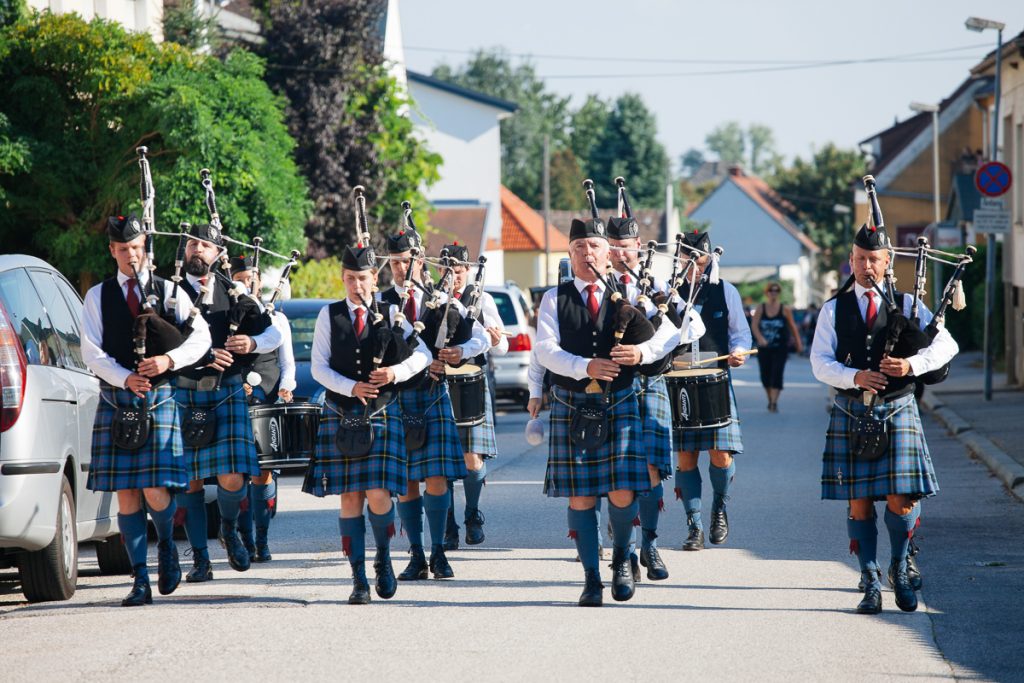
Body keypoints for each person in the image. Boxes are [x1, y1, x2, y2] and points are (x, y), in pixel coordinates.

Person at [810, 223, 957, 614]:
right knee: (858, 502)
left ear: (887, 261)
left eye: (873, 259)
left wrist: (910, 364)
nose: (866, 265)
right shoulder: (833, 309)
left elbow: (947, 345)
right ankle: (870, 579)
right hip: (852, 409)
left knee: (902, 499)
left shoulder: (908, 305)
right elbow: (819, 363)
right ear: (851, 262)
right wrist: (854, 377)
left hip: (898, 406)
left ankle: (900, 566)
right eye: (859, 259)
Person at [535, 215, 680, 606]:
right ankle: (590, 579)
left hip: (620, 401)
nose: (588, 254)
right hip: (574, 404)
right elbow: (545, 350)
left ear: (608, 253)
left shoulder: (632, 294)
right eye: (579, 247)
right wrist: (585, 367)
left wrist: (642, 352)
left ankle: (621, 561)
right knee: (581, 497)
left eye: (595, 247)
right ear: (570, 253)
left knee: (621, 490)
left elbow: (672, 330)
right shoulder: (555, 298)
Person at [81, 214, 212, 606]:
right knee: (126, 492)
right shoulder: (98, 296)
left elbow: (201, 337)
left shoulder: (170, 291)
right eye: (123, 250)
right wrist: (125, 378)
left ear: (145, 248)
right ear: (112, 251)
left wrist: (168, 361)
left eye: (136, 249)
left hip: (161, 396)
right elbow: (92, 351)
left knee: (156, 489)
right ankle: (139, 579)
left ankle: (168, 546)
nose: (131, 256)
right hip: (119, 399)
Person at [306, 244, 432, 604]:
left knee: (378, 493)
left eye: (362, 278)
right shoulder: (328, 315)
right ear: (342, 279)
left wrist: (395, 371)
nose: (356, 286)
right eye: (350, 279)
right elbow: (318, 366)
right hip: (342, 414)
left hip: (381, 411)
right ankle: (358, 578)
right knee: (349, 496)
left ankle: (384, 559)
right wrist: (351, 386)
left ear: (374, 279)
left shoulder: (393, 313)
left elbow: (423, 353)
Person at [173, 224, 282, 582]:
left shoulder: (233, 293)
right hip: (184, 388)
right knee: (189, 480)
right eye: (192, 244)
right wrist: (201, 355)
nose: (196, 250)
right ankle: (200, 560)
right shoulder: (168, 292)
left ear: (218, 253)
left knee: (233, 477)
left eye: (204, 245)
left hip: (228, 389)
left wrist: (251, 344)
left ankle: (230, 528)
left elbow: (273, 332)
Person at [379, 230, 488, 580]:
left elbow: (480, 337)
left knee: (436, 478)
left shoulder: (441, 299)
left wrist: (458, 353)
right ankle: (415, 555)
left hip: (431, 394)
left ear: (420, 260)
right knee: (408, 482)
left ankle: (439, 552)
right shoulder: (380, 302)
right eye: (395, 262)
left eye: (407, 260)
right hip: (395, 397)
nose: (400, 268)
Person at [606, 216, 704, 581]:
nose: (619, 254)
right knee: (617, 472)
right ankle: (625, 551)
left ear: (637, 246)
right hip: (609, 388)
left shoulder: (659, 284)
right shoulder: (596, 287)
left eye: (625, 247)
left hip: (649, 383)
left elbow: (694, 327)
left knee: (650, 472)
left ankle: (649, 544)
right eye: (612, 247)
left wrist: (647, 349)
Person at [673, 231, 752, 552]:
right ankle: (694, 526)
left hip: (716, 378)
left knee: (720, 455)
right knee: (686, 457)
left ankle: (720, 506)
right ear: (679, 259)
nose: (694, 267)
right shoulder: (668, 292)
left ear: (709, 260)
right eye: (687, 260)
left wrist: (740, 352)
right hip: (678, 381)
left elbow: (741, 335)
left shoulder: (725, 290)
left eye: (700, 260)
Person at [442, 242, 507, 548]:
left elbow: (503, 345)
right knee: (440, 460)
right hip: (438, 383)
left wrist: (493, 338)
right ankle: (446, 523)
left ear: (467, 270)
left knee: (472, 458)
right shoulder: (434, 298)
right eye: (447, 270)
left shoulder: (482, 298)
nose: (453, 276)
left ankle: (471, 514)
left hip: (472, 382)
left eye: (457, 271)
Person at [232, 256, 297, 563]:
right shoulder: (228, 317)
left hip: (268, 398)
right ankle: (243, 538)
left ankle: (262, 539)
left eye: (251, 278)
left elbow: (287, 363)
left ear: (259, 280)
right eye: (241, 279)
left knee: (262, 472)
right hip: (235, 399)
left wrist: (287, 386)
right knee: (238, 474)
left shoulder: (277, 319)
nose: (247, 284)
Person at [751, 281, 804, 412]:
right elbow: (754, 325)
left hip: (780, 347)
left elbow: (793, 327)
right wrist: (760, 339)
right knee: (765, 376)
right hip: (764, 348)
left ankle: (774, 402)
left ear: (779, 293)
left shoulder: (784, 309)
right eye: (771, 290)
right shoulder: (761, 308)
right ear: (767, 293)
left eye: (776, 291)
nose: (773, 293)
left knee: (777, 374)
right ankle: (770, 399)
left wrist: (798, 343)